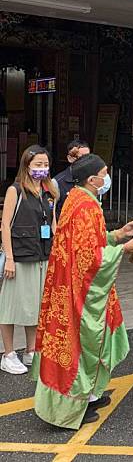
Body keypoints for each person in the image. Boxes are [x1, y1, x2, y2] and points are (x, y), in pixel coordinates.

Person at [32, 154, 133, 429]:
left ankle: (89, 395)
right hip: (79, 291)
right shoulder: (86, 205)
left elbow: (90, 241)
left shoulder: (77, 198)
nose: (107, 177)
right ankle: (71, 407)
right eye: (104, 173)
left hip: (70, 284)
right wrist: (123, 249)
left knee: (88, 342)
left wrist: (118, 234)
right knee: (81, 345)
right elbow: (88, 257)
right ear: (92, 179)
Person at [0, 145, 58, 375]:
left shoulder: (50, 190)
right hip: (21, 257)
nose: (42, 169)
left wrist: (58, 251)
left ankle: (31, 350)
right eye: (38, 165)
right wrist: (10, 259)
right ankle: (8, 354)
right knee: (11, 307)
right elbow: (5, 225)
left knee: (35, 308)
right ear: (27, 165)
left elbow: (53, 223)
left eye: (45, 165)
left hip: (42, 255)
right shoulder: (16, 190)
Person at [53, 139, 90, 218]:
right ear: (70, 158)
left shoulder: (92, 180)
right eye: (81, 158)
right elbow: (52, 213)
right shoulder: (57, 182)